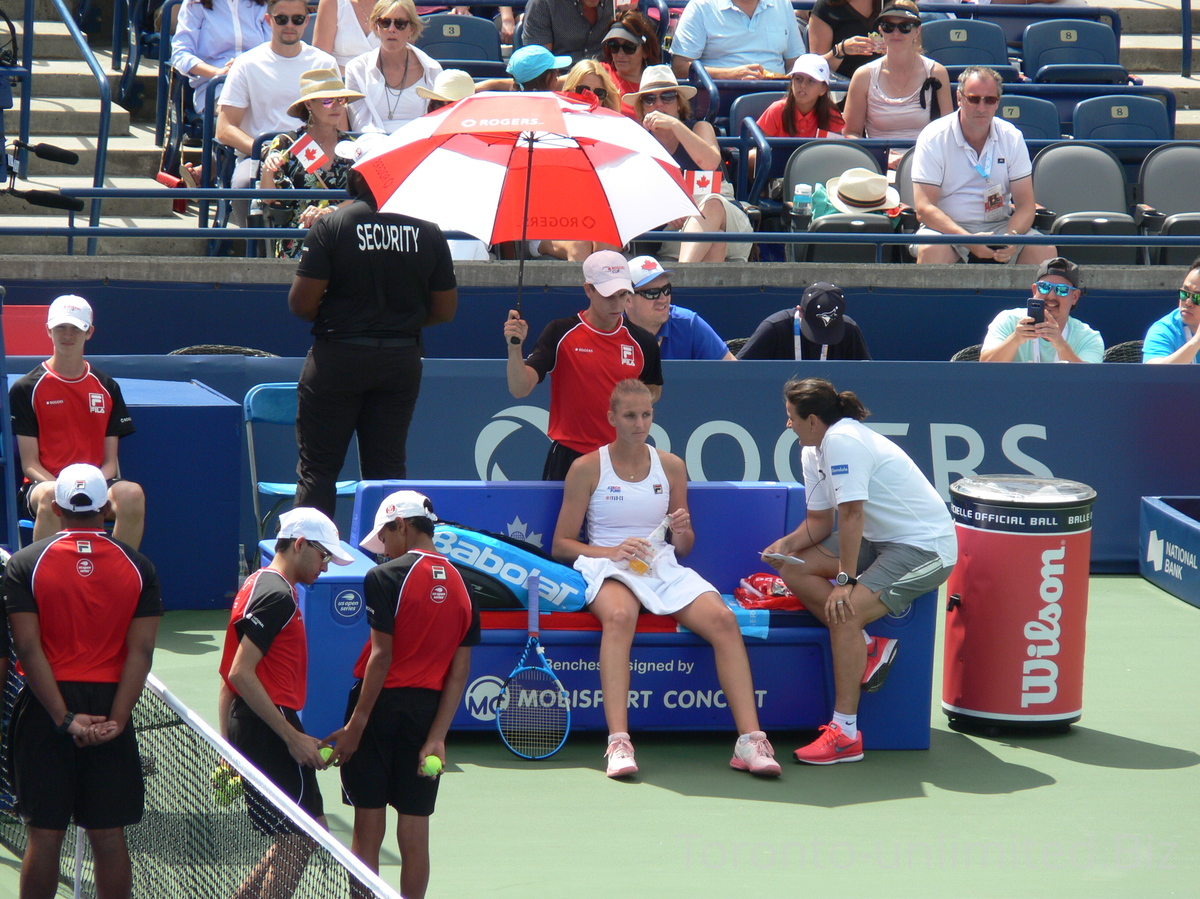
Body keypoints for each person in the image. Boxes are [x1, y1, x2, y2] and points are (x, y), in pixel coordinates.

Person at [552, 379, 781, 778]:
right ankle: (619, 742)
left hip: (662, 567)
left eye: (646, 415)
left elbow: (685, 546)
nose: (639, 424)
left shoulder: (671, 466)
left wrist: (681, 529)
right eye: (630, 416)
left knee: (725, 621)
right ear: (612, 417)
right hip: (608, 567)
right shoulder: (586, 468)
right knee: (620, 617)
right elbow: (561, 544)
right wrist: (612, 552)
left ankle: (749, 740)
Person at [764, 378, 956, 764]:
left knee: (845, 613)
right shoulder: (812, 450)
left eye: (791, 418)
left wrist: (844, 582)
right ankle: (867, 647)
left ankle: (845, 734)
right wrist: (784, 546)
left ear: (813, 420)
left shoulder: (843, 440)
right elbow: (820, 523)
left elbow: (852, 513)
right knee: (793, 568)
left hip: (925, 548)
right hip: (879, 540)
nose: (787, 425)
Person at [4, 463, 161, 899]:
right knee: (108, 838)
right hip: (112, 702)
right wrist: (116, 719)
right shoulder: (139, 566)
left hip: (45, 709)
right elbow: (141, 652)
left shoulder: (25, 564)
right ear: (107, 508)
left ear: (55, 507)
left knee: (44, 836)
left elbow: (29, 650)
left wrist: (65, 719)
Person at [325, 491, 479, 899]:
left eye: (385, 538)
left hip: (377, 709)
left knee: (367, 827)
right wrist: (438, 736)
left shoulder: (384, 577)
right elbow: (459, 671)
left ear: (402, 525)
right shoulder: (465, 584)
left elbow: (381, 656)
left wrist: (355, 725)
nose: (383, 550)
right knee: (415, 827)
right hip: (426, 713)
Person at [289, 164, 458, 518]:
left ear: (357, 177)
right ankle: (392, 568)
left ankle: (306, 568)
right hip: (400, 362)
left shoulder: (332, 224)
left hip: (337, 358)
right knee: (388, 473)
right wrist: (399, 324)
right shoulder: (429, 231)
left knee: (318, 471)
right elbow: (444, 310)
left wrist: (348, 319)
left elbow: (301, 304)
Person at [218, 507, 353, 896]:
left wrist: (226, 743)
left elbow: (230, 674)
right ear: (299, 544)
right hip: (270, 727)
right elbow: (241, 672)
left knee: (295, 834)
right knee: (304, 836)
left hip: (261, 724)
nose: (325, 568)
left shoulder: (256, 584)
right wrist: (290, 736)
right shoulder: (277, 595)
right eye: (324, 556)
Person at [503, 251, 663, 480]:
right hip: (570, 457)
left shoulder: (643, 341)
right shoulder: (560, 332)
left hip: (623, 457)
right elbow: (520, 389)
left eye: (622, 294)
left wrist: (626, 400)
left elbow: (654, 390)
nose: (617, 304)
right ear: (588, 289)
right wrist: (514, 348)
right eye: (609, 296)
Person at [9, 295, 146, 548]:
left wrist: (89, 488)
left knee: (132, 494)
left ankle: (117, 574)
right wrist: (65, 489)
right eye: (61, 327)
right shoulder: (25, 388)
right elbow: (30, 464)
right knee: (51, 496)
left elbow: (109, 463)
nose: (67, 335)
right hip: (44, 484)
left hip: (98, 483)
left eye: (76, 328)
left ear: (89, 332)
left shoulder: (106, 386)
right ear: (48, 330)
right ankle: (45, 580)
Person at [911, 66, 1057, 266]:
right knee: (931, 250)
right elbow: (925, 209)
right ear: (959, 98)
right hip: (946, 229)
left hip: (1001, 226)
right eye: (973, 99)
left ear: (998, 102)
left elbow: (1025, 206)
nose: (981, 107)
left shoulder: (1012, 136)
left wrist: (1012, 237)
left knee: (1045, 250)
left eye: (989, 100)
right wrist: (967, 240)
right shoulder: (933, 136)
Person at [217, 0, 336, 224]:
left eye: (297, 19)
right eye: (282, 19)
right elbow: (224, 128)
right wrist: (263, 151)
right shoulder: (247, 64)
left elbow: (337, 119)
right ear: (268, 20)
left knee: (343, 186)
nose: (289, 25)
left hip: (314, 151)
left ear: (306, 21)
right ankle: (259, 254)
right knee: (244, 186)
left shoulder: (324, 62)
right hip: (261, 153)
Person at [624, 66, 753, 264]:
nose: (658, 104)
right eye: (650, 99)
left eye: (667, 97)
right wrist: (665, 210)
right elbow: (633, 198)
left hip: (726, 217)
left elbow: (709, 163)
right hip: (676, 228)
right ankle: (697, 291)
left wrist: (676, 126)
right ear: (642, 108)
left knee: (711, 205)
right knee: (715, 241)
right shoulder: (638, 142)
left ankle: (683, 273)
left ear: (678, 103)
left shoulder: (700, 128)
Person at [258, 69, 362, 258]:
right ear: (308, 104)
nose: (336, 107)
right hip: (299, 239)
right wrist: (268, 169)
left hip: (344, 236)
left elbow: (364, 198)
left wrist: (330, 211)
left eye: (341, 100)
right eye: (327, 101)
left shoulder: (353, 148)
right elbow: (268, 199)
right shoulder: (286, 143)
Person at [841, 1, 951, 141]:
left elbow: (947, 132)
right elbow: (850, 133)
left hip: (924, 159)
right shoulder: (863, 76)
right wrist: (883, 155)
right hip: (879, 160)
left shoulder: (937, 72)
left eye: (904, 27)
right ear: (880, 30)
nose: (896, 33)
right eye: (889, 27)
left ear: (917, 31)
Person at [980, 256, 1104, 363]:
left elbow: (1087, 381)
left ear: (1075, 297)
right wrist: (1015, 339)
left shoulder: (1088, 337)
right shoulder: (1009, 320)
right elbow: (984, 369)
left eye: (1061, 289)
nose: (1051, 296)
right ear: (1035, 291)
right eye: (1044, 287)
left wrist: (1060, 344)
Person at [344, 0, 443, 133]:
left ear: (411, 29)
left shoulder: (432, 70)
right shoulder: (356, 70)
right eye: (385, 23)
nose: (391, 29)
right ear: (376, 27)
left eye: (400, 24)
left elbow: (436, 123)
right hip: (373, 146)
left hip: (419, 144)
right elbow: (361, 125)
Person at [169, 0, 270, 117]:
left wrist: (244, 64)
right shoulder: (195, 4)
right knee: (246, 116)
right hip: (216, 87)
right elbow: (180, 54)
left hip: (258, 82)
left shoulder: (263, 4)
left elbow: (272, 49)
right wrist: (218, 72)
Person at [624, 255, 735, 360]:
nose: (663, 299)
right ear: (628, 300)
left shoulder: (689, 324)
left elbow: (733, 372)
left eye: (666, 289)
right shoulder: (610, 329)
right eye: (652, 293)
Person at [670, 0, 805, 80]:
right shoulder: (701, 6)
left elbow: (796, 63)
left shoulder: (782, 4)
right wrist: (729, 75)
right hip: (719, 99)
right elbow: (680, 67)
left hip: (778, 100)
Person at [737, 282, 872, 360]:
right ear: (799, 311)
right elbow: (739, 371)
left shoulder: (849, 329)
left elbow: (867, 377)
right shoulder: (774, 327)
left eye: (830, 330)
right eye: (815, 328)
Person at [756, 54, 846, 138]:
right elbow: (759, 151)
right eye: (798, 79)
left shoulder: (832, 115)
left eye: (811, 80)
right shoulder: (776, 110)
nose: (803, 85)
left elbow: (835, 151)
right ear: (792, 83)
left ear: (823, 89)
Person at [598, 11, 661, 111]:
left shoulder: (658, 87)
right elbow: (567, 83)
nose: (620, 54)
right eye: (614, 46)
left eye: (629, 47)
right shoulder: (599, 73)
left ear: (645, 51)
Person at [521, 0, 615, 65]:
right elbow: (540, 66)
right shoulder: (543, 4)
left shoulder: (620, 3)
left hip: (609, 78)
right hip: (561, 81)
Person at [1143, 257, 1200, 364]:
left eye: (1197, 298)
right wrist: (1196, 342)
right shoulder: (1164, 329)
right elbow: (1152, 375)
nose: (1188, 302)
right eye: (1185, 293)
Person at [810, 0, 882, 79]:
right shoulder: (826, 6)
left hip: (885, 84)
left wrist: (893, 48)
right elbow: (816, 69)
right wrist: (841, 50)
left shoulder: (891, 4)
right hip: (840, 86)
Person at [313, 0, 379, 71]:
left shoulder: (391, 4)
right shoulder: (331, 2)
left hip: (387, 79)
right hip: (339, 79)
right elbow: (321, 61)